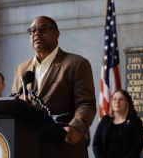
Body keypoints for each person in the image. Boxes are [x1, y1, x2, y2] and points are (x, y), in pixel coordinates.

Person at [11, 16, 96, 158]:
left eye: (42, 29)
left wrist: (76, 127)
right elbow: (16, 106)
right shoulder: (21, 69)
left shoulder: (76, 63)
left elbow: (86, 103)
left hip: (63, 147)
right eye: (32, 31)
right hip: (27, 149)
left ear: (57, 33)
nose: (36, 33)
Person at [92, 89, 143, 158]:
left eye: (121, 99)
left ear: (127, 102)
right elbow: (96, 144)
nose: (117, 102)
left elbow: (138, 146)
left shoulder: (135, 121)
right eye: (114, 99)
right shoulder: (105, 120)